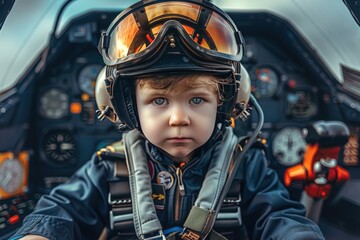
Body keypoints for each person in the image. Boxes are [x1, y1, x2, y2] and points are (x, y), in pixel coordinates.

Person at [10, 0, 325, 239]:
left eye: (197, 100)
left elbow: (281, 217)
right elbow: (63, 210)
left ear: (227, 103)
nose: (178, 118)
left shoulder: (246, 164)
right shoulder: (109, 165)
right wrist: (39, 233)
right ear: (127, 107)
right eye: (159, 101)